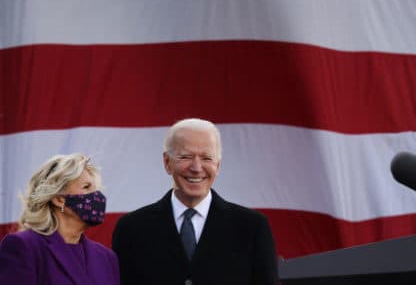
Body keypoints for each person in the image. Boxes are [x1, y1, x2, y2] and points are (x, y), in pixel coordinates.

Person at [112, 117, 279, 285]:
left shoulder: (252, 228)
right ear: (167, 162)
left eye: (206, 158)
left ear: (218, 165)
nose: (196, 168)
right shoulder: (131, 229)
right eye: (186, 157)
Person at [0, 153, 119, 285]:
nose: (97, 195)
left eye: (96, 189)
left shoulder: (106, 257)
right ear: (59, 199)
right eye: (86, 187)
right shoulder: (24, 246)